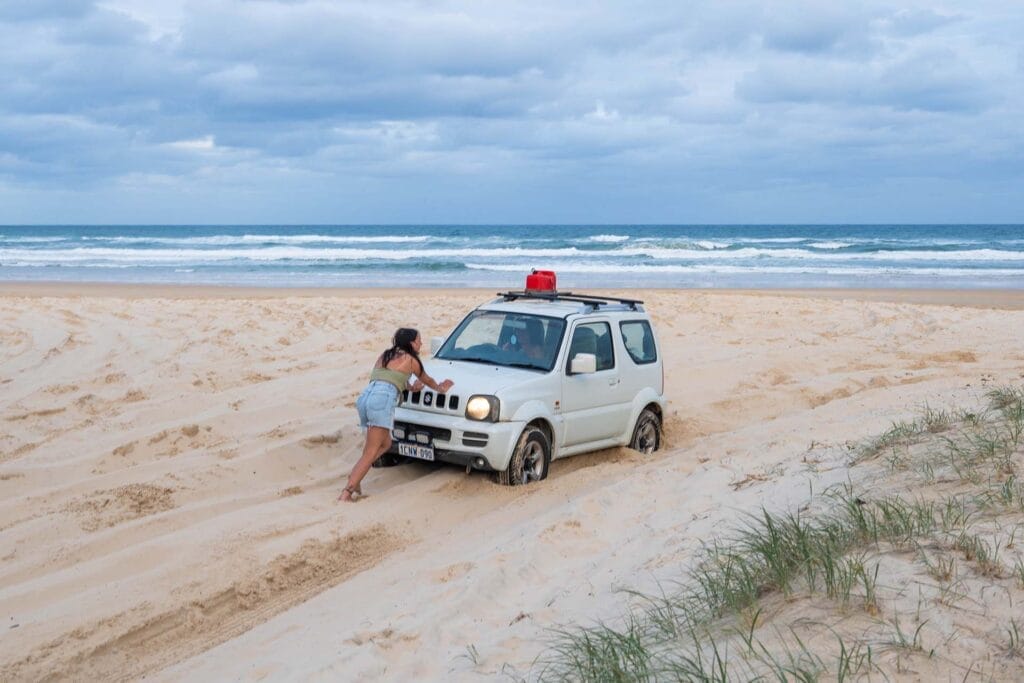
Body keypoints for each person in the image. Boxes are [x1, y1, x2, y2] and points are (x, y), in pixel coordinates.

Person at [339, 328, 453, 502]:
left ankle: (356, 476)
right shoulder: (412, 360)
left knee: (385, 444)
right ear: (410, 343)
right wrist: (441, 388)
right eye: (418, 340)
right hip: (381, 401)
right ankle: (347, 492)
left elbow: (389, 378)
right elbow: (427, 380)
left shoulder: (386, 355)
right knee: (371, 451)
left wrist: (411, 387)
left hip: (367, 397)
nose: (421, 343)